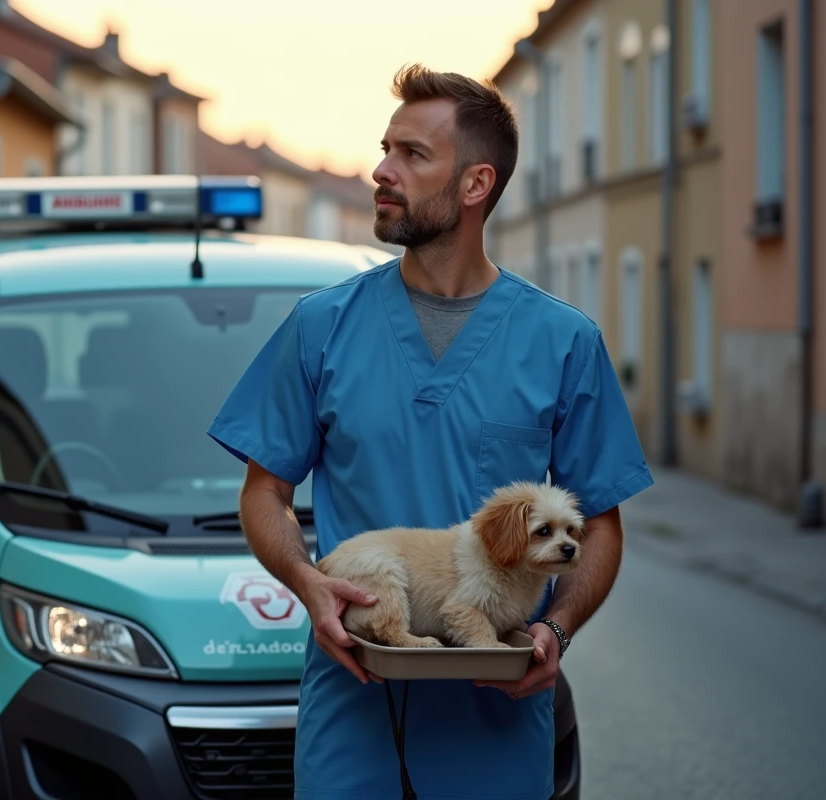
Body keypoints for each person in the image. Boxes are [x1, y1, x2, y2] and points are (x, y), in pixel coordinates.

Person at [206, 64, 653, 799]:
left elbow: (600, 523)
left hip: (495, 717)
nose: (382, 171)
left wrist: (559, 628)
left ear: (476, 184)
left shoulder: (562, 341)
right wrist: (309, 584)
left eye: (413, 154)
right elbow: (265, 490)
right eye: (386, 148)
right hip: (353, 705)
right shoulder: (322, 327)